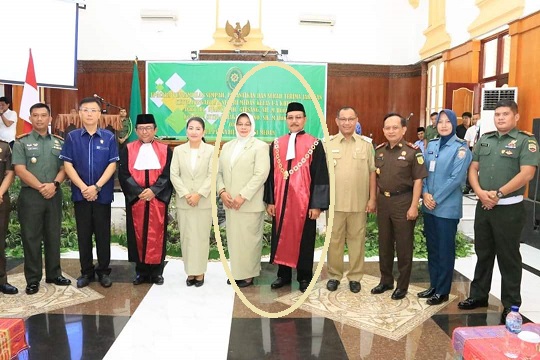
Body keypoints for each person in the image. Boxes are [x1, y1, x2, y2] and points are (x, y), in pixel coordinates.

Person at [458, 99, 540, 322]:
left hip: (509, 209)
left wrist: (498, 194)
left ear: (516, 117)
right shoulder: (485, 140)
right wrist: (480, 192)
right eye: (497, 115)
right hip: (484, 205)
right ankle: (478, 296)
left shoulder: (525, 141)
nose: (501, 118)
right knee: (483, 254)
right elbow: (473, 168)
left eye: (505, 114)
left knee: (508, 258)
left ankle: (511, 304)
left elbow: (527, 174)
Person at [264, 102, 330, 293]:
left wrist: (316, 205)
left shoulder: (314, 143)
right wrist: (270, 200)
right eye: (291, 118)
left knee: (305, 240)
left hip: (304, 203)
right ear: (286, 120)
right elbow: (270, 174)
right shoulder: (277, 144)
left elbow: (320, 175)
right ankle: (282, 275)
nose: (294, 121)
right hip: (281, 201)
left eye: (298, 117)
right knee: (280, 237)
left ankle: (304, 277)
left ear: (304, 119)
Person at [59, 97, 119, 288]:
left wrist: (97, 187)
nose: (90, 114)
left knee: (103, 235)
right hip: (81, 194)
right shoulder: (73, 137)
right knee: (83, 235)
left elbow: (112, 164)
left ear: (100, 113)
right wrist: (84, 188)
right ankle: (86, 272)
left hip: (102, 195)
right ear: (80, 113)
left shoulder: (109, 137)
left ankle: (103, 271)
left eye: (94, 110)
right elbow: (67, 164)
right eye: (86, 110)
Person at [12, 103, 72, 295]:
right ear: (30, 118)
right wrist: (41, 187)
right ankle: (32, 279)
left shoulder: (59, 142)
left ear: (50, 118)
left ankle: (54, 273)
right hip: (31, 196)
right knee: (31, 238)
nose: (39, 119)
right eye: (35, 115)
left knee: (53, 235)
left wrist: (53, 185)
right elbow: (20, 170)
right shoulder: (21, 142)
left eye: (43, 115)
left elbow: (65, 168)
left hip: (54, 193)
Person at [371, 113, 428, 300]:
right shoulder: (379, 151)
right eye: (387, 128)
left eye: (395, 127)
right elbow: (375, 178)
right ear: (383, 130)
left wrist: (414, 206)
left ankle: (402, 285)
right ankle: (386, 280)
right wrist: (375, 200)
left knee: (403, 246)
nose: (391, 131)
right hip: (384, 202)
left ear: (403, 129)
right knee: (385, 244)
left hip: (404, 201)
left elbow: (418, 181)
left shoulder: (413, 152)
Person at [419, 109, 472, 305]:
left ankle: (442, 291)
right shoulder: (431, 145)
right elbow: (423, 172)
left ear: (453, 123)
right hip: (429, 206)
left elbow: (456, 178)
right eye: (439, 122)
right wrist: (425, 194)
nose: (443, 125)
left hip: (446, 208)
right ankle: (434, 285)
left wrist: (435, 198)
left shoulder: (461, 148)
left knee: (445, 249)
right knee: (432, 248)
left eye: (447, 122)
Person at [326, 106, 376, 293]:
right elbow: (322, 176)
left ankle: (355, 277)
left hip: (359, 204)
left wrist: (372, 199)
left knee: (357, 241)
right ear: (337, 121)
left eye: (350, 119)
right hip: (335, 204)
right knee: (334, 242)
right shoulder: (328, 144)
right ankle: (334, 276)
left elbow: (372, 173)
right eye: (343, 119)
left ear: (356, 121)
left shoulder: (366, 145)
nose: (347, 123)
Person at [118, 114, 172, 285]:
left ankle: (157, 272)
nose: (145, 131)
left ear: (155, 129)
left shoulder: (165, 150)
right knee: (138, 235)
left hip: (157, 199)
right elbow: (124, 174)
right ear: (136, 130)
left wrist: (154, 191)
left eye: (149, 128)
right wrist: (138, 192)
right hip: (137, 199)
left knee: (158, 234)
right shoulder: (128, 148)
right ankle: (141, 272)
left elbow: (168, 174)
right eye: (141, 128)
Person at [217, 112, 270, 287]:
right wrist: (222, 191)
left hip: (249, 203)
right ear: (235, 125)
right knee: (234, 240)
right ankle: (237, 272)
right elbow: (219, 172)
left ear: (252, 126)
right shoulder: (228, 146)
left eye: (247, 124)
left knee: (249, 241)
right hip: (230, 203)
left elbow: (261, 174)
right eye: (240, 123)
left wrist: (243, 196)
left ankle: (248, 274)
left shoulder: (260, 147)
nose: (243, 127)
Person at [170, 117, 213, 287]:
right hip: (184, 202)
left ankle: (200, 272)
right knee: (187, 237)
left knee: (201, 237)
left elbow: (212, 174)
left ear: (203, 132)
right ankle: (190, 272)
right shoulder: (179, 150)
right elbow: (174, 174)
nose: (194, 131)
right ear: (186, 130)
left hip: (203, 202)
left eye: (197, 128)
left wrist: (199, 194)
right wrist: (186, 194)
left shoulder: (210, 150)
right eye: (190, 128)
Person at [0, 139, 16, 295]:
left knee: (0, 241)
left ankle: (1, 280)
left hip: (0, 200)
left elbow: (9, 173)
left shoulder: (4, 147)